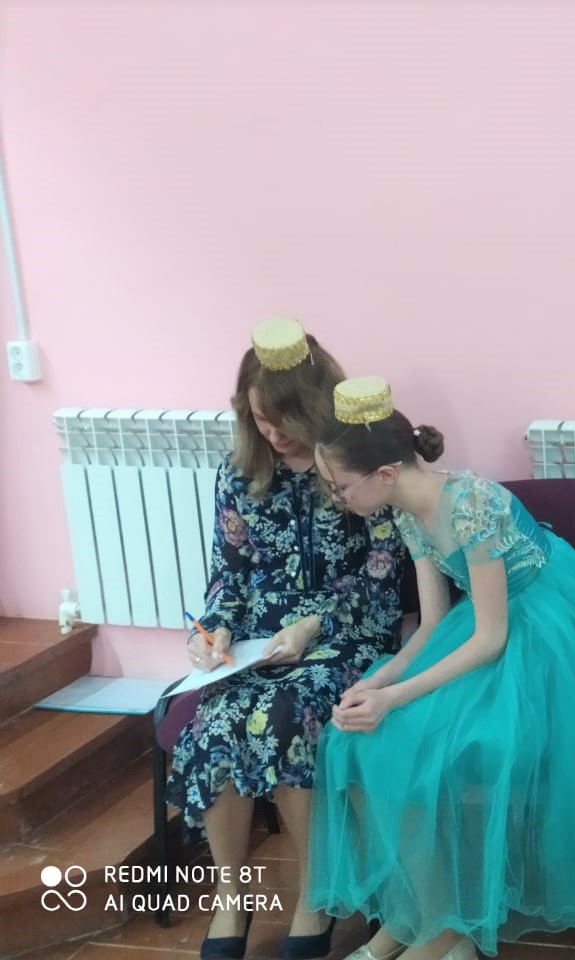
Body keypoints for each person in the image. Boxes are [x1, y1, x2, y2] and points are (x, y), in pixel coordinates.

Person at [308, 376, 575, 960]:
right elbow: (433, 624)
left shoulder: (471, 504)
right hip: (480, 625)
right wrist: (379, 681)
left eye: (339, 486)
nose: (336, 498)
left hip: (538, 628)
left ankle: (446, 928)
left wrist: (395, 697)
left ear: (384, 474)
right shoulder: (407, 514)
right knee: (355, 743)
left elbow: (491, 638)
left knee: (437, 750)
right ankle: (419, 913)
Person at [167, 319, 407, 960]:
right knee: (215, 724)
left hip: (347, 633)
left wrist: (313, 624)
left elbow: (382, 575)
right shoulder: (239, 472)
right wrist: (212, 630)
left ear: (313, 406)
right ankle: (230, 895)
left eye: (283, 421)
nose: (272, 435)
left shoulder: (354, 460)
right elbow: (229, 574)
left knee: (285, 714)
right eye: (260, 420)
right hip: (258, 642)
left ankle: (316, 892)